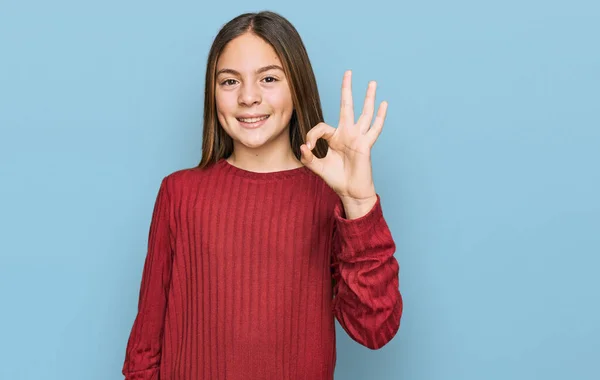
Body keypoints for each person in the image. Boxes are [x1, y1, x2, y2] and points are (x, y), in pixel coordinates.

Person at [122, 10, 402, 380]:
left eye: (268, 78)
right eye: (229, 82)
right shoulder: (180, 193)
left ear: (297, 86)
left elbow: (374, 328)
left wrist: (359, 203)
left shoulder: (329, 199)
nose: (248, 97)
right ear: (213, 93)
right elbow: (145, 347)